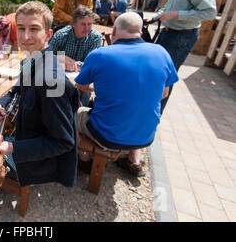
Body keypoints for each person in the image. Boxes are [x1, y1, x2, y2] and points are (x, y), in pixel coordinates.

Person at [0, 1, 80, 187]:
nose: (25, 37)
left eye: (34, 29)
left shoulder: (49, 82)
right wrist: (0, 104)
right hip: (27, 130)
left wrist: (11, 147)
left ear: (48, 35)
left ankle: (11, 173)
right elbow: (16, 89)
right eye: (21, 28)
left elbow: (63, 142)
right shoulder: (33, 57)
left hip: (35, 162)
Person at [74, 12, 179, 176]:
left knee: (73, 114)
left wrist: (99, 89)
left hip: (106, 136)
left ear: (114, 30)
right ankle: (132, 159)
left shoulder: (100, 54)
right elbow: (163, 94)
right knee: (135, 111)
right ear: (141, 32)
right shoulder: (162, 53)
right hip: (146, 136)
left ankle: (84, 159)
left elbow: (81, 85)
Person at [149, 0, 216, 114]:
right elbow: (169, 9)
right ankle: (147, 109)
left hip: (182, 36)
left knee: (165, 78)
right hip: (169, 32)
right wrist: (155, 17)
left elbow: (210, 12)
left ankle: (154, 115)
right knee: (155, 71)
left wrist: (176, 14)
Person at [49, 5, 102, 106]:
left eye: (89, 24)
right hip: (59, 77)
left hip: (82, 77)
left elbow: (91, 64)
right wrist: (61, 58)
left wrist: (74, 63)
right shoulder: (61, 35)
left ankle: (80, 115)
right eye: (83, 24)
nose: (87, 28)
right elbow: (45, 56)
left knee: (86, 88)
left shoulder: (96, 38)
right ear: (73, 24)